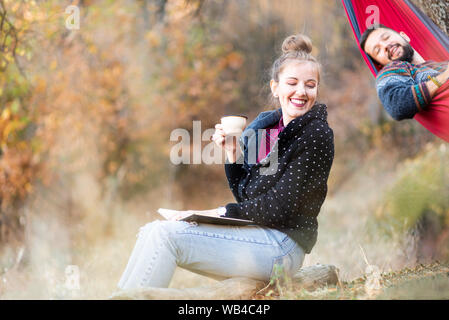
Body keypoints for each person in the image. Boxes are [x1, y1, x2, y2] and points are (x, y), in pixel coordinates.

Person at [116, 34, 334, 290]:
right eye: (292, 83)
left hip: (283, 247)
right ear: (276, 88)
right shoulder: (265, 129)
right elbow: (248, 195)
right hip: (258, 235)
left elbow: (279, 208)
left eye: (310, 84)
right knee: (152, 230)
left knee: (165, 236)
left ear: (317, 89)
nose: (301, 91)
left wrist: (217, 213)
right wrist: (233, 154)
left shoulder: (316, 133)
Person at [360, 24, 449, 122]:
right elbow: (396, 105)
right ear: (381, 65)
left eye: (386, 37)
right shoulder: (391, 70)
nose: (385, 46)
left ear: (404, 36)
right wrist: (442, 78)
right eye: (378, 50)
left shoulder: (440, 63)